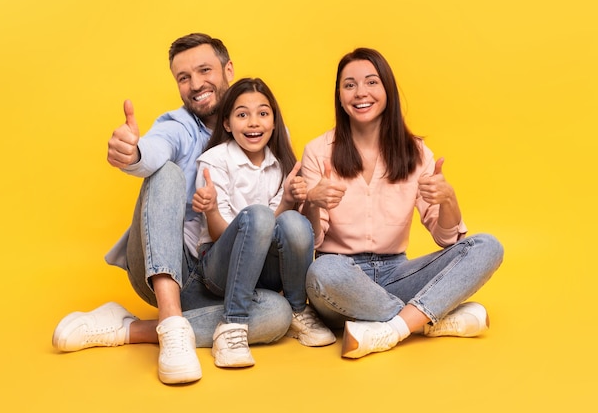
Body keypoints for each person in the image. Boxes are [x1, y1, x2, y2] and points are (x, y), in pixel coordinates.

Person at [51, 34, 294, 384]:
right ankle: (171, 320)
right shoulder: (177, 126)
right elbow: (152, 149)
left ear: (228, 69)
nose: (196, 84)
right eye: (184, 77)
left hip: (227, 277)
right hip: (168, 268)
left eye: (205, 70)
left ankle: (133, 329)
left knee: (277, 314)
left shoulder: (264, 128)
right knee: (164, 170)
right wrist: (133, 154)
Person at [300, 47, 504, 359]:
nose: (360, 93)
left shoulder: (417, 153)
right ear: (339, 96)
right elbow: (313, 240)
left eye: (371, 82)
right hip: (341, 278)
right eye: (349, 85)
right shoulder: (317, 151)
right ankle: (430, 319)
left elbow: (446, 238)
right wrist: (313, 202)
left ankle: (394, 328)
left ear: (387, 90)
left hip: (398, 273)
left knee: (488, 245)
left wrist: (448, 200)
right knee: (322, 270)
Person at [191, 78, 335, 368]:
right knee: (257, 215)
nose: (253, 122)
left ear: (273, 121)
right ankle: (232, 324)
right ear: (228, 123)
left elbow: (277, 227)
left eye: (263, 113)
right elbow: (221, 235)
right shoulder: (214, 161)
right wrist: (211, 211)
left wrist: (289, 200)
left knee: (293, 220)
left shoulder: (281, 163)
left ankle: (297, 311)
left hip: (264, 271)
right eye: (242, 114)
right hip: (219, 267)